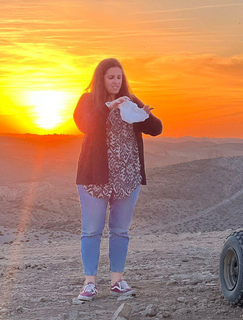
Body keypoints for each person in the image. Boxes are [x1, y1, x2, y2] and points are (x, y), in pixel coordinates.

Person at [73, 58, 162, 301]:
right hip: (95, 177)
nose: (116, 81)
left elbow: (156, 129)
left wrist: (144, 115)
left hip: (128, 176)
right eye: (111, 77)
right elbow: (84, 124)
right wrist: (109, 107)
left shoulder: (131, 100)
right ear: (101, 79)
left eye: (119, 77)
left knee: (120, 231)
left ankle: (117, 281)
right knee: (92, 231)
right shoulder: (88, 101)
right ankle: (90, 283)